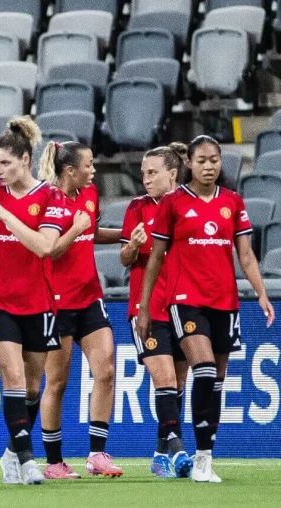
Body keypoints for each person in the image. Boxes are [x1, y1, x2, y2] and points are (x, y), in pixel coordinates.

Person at [137, 135, 275, 483]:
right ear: (189, 164)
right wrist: (143, 308)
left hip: (224, 302)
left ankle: (204, 457)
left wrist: (261, 294)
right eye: (202, 160)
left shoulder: (233, 202)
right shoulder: (173, 203)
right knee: (204, 370)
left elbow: (245, 255)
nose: (209, 166)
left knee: (216, 382)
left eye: (214, 159)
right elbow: (155, 258)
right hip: (185, 301)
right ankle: (196, 458)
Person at [0, 117, 66, 486]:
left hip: (39, 303)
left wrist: (6, 216)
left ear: (25, 159)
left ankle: (11, 452)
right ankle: (27, 461)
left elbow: (44, 246)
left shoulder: (51, 197)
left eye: (6, 163)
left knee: (32, 388)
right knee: (12, 376)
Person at [38, 141, 124, 479]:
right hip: (56, 302)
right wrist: (74, 229)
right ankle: (54, 462)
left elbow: (91, 232)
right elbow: (49, 251)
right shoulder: (46, 200)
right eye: (88, 164)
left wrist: (125, 235)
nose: (94, 170)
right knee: (57, 383)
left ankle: (97, 454)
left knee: (106, 371)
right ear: (70, 170)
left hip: (90, 296)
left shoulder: (89, 195)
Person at [120, 143, 192, 478]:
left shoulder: (189, 207)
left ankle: (161, 453)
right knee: (162, 378)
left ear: (172, 174)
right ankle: (178, 449)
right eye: (143, 174)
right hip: (146, 307)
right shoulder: (136, 208)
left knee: (177, 383)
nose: (146, 179)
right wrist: (133, 246)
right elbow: (125, 258)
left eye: (153, 173)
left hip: (182, 303)